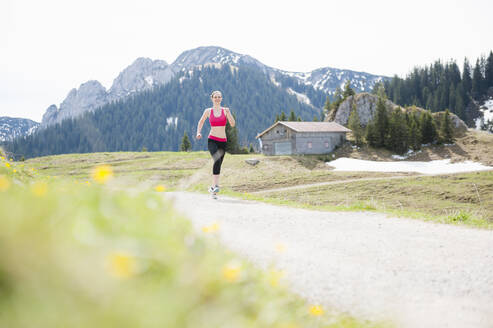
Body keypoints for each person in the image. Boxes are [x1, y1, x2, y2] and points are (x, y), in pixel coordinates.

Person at [196, 90, 236, 197]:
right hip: (212, 139)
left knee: (219, 163)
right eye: (215, 97)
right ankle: (215, 186)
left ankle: (214, 188)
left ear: (221, 98)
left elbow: (232, 124)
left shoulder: (225, 111)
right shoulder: (208, 111)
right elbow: (201, 121)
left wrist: (229, 113)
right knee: (216, 159)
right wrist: (198, 132)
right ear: (212, 98)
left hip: (223, 141)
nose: (217, 98)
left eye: (219, 97)